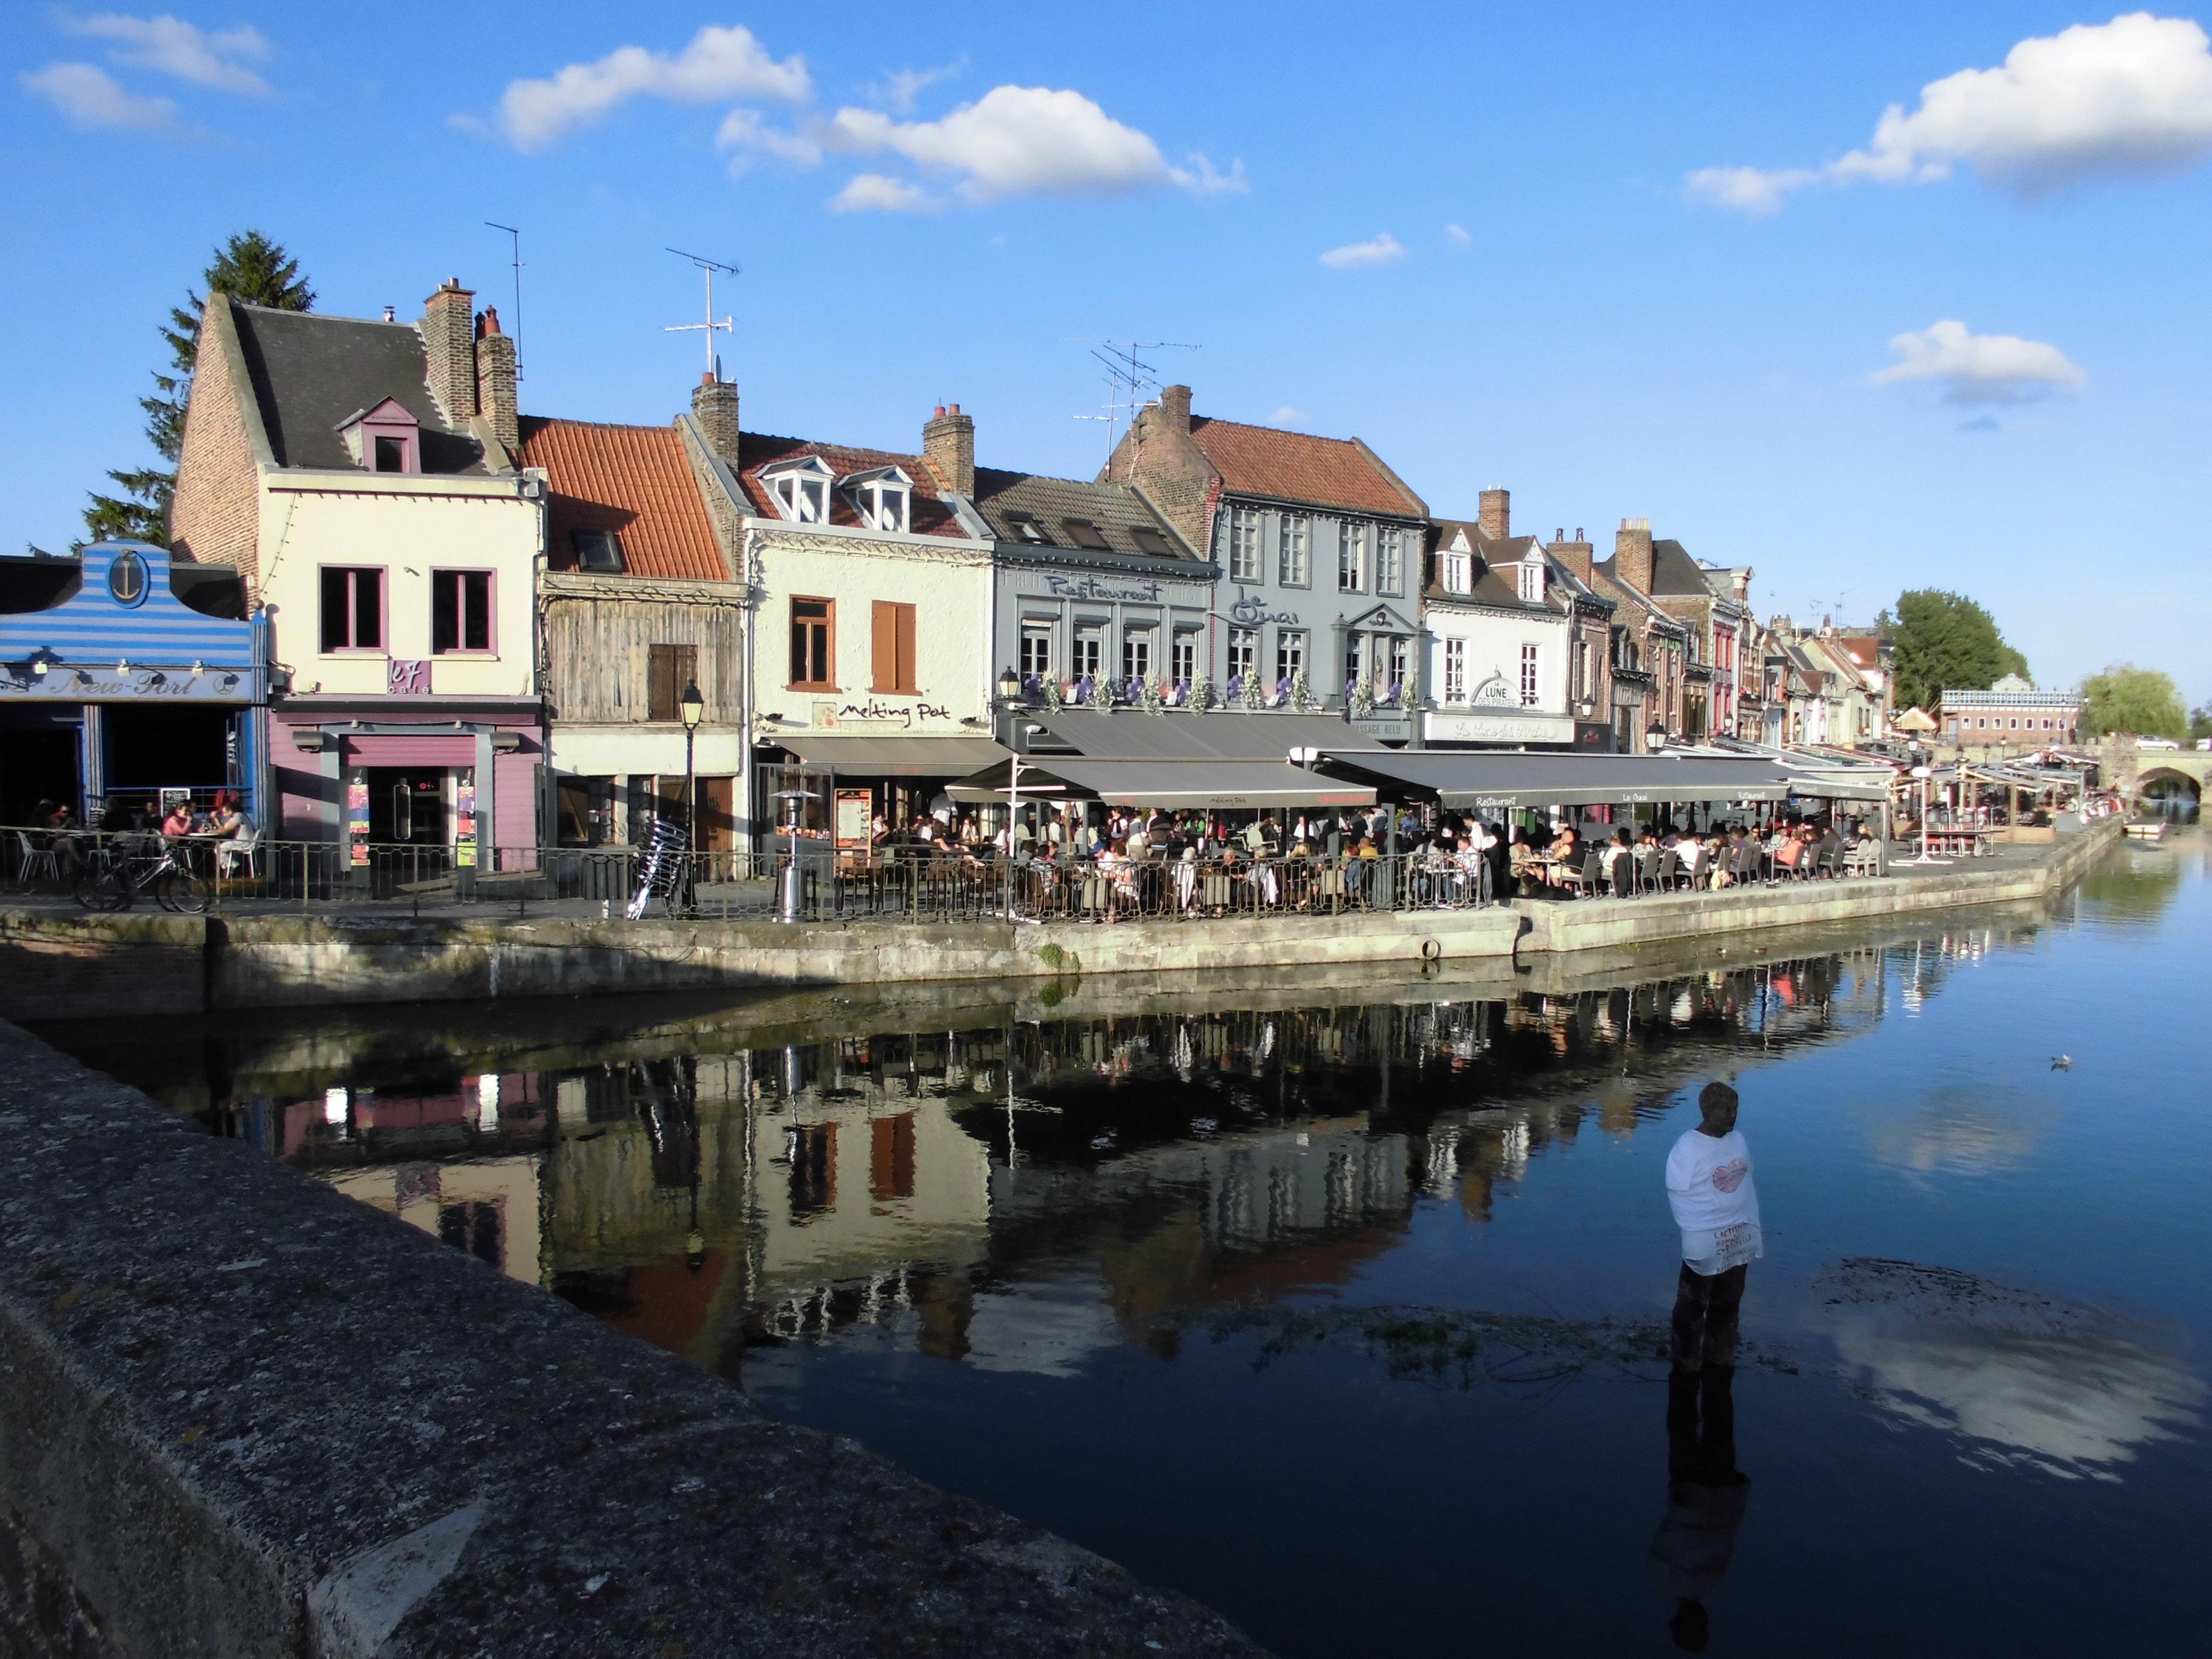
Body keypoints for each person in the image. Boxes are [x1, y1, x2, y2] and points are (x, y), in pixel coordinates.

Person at [1665, 1081, 1761, 1376]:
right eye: (1725, 1109)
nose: (1732, 1115)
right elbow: (1679, 1195)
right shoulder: (1687, 1148)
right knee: (1692, 1308)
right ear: (1706, 1110)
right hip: (1705, 1244)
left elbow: (1746, 1186)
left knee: (1729, 1304)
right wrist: (1699, 1232)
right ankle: (1686, 1365)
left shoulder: (1738, 1141)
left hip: (1737, 1241)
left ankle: (1720, 1359)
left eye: (1735, 1109)